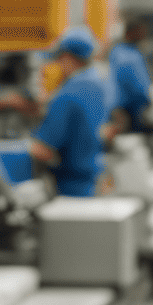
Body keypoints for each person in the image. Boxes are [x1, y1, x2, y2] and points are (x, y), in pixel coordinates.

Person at [28, 28, 108, 198]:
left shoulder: (67, 95)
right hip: (91, 182)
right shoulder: (96, 87)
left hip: (70, 188)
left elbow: (43, 149)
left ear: (66, 57)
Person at [106, 20, 153, 133]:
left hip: (122, 107)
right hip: (128, 108)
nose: (143, 36)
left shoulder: (119, 51)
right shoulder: (128, 56)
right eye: (140, 33)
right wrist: (148, 100)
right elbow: (138, 87)